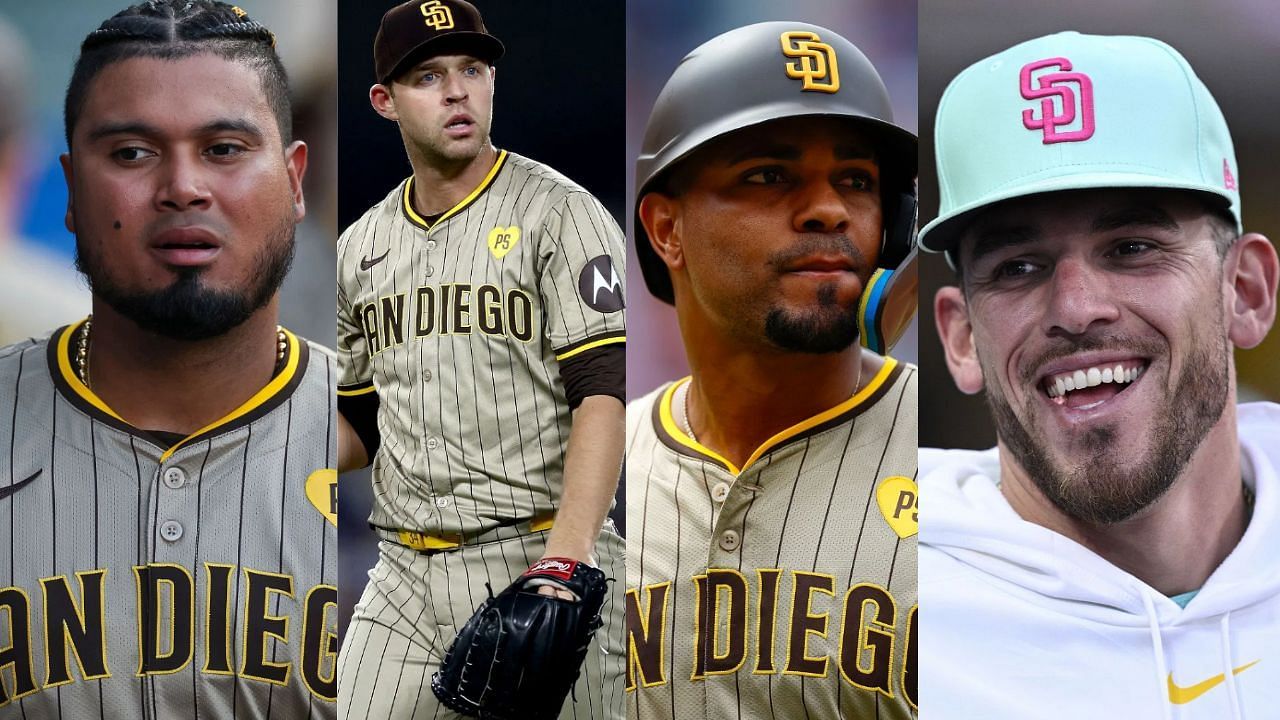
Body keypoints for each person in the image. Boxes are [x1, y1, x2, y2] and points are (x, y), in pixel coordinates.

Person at [919, 31, 1280, 718]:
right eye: (1017, 267)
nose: (1078, 309)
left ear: (1246, 292)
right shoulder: (879, 615)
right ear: (961, 338)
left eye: (1133, 248)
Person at [0, 1, 338, 717]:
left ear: (295, 178)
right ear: (69, 187)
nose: (183, 187)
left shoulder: (418, 446)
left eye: (224, 149)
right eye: (131, 152)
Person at [333, 1, 626, 718]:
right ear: (384, 101)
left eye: (471, 68)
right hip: (401, 571)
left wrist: (568, 557)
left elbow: (604, 393)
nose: (457, 90)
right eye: (428, 76)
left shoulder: (562, 212)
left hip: (534, 553)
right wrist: (262, 444)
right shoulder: (361, 246)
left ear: (493, 80)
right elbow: (360, 429)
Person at [626, 22, 919, 719]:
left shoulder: (957, 467)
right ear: (667, 230)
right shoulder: (588, 471)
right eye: (768, 176)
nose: (828, 209)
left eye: (856, 180)